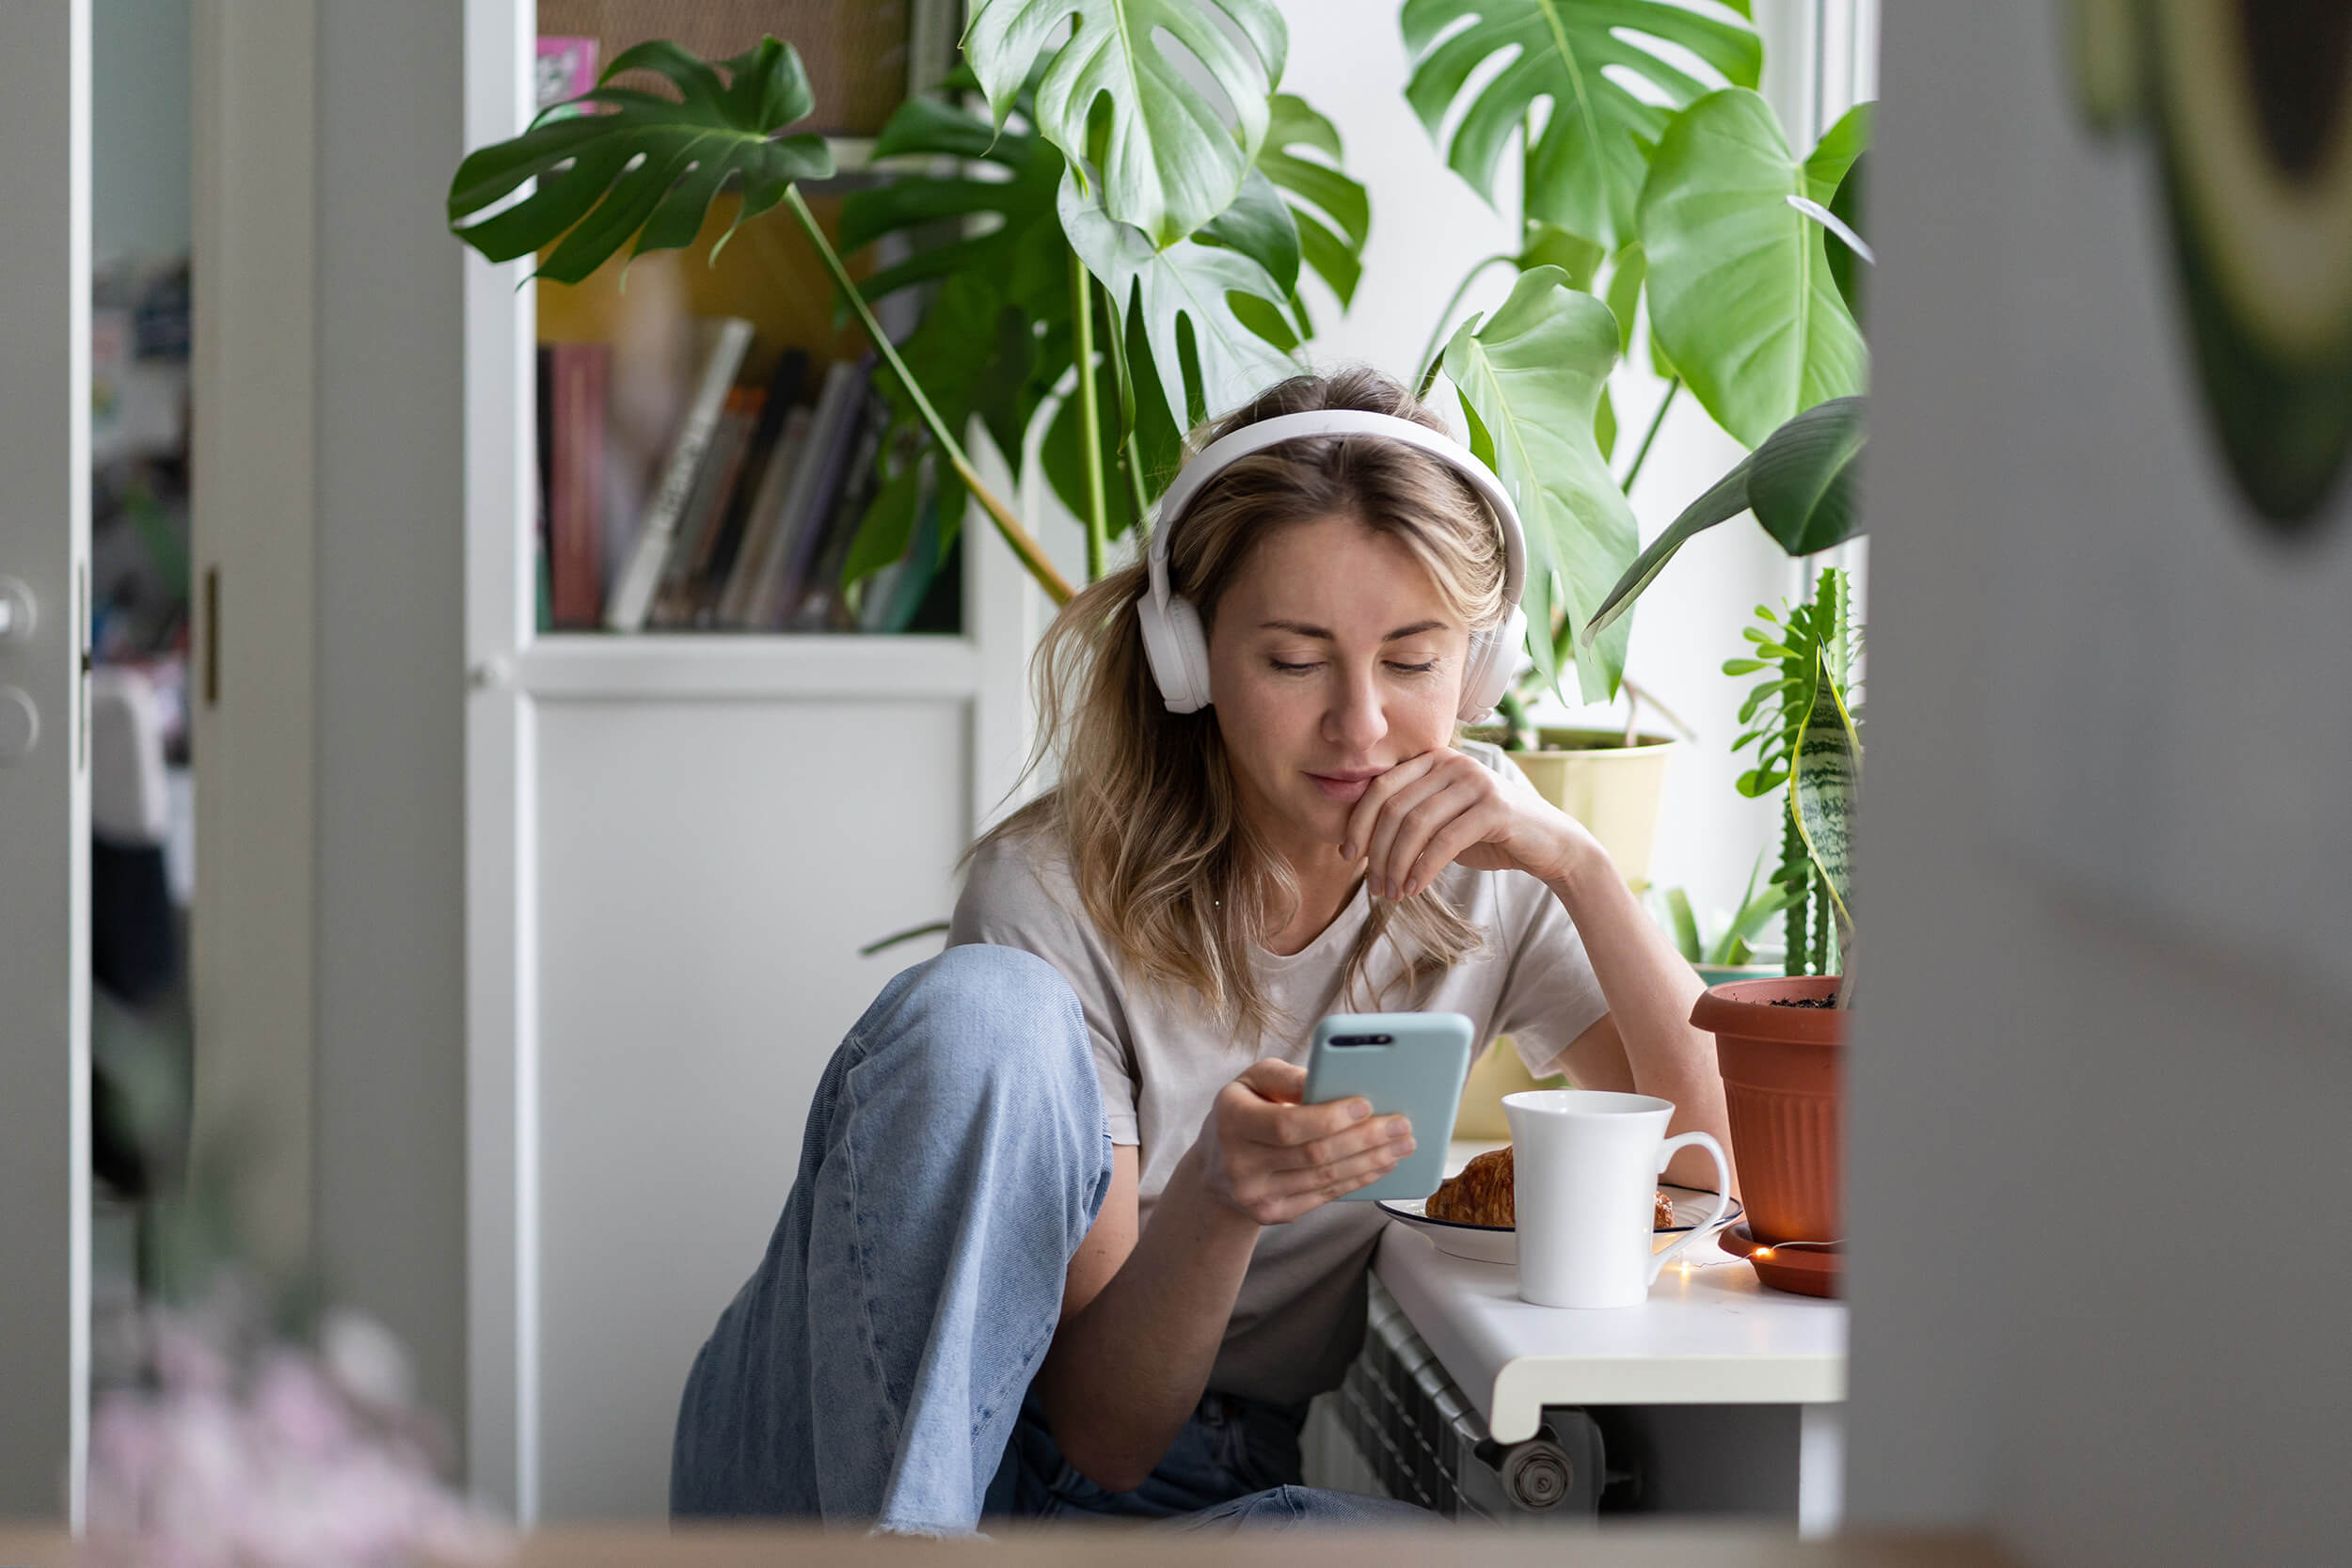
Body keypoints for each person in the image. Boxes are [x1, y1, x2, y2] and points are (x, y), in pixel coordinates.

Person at [669, 366, 1735, 1533]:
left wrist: (1580, 865)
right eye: (1292, 659)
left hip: (1175, 1484)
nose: (1362, 723)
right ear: (1189, 657)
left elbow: (1714, 1171)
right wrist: (1223, 1200)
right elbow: (1099, 1428)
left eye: (1416, 659)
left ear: (1480, 669)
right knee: (985, 1011)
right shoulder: (1052, 891)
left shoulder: (1493, 859)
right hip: (858, 1457)